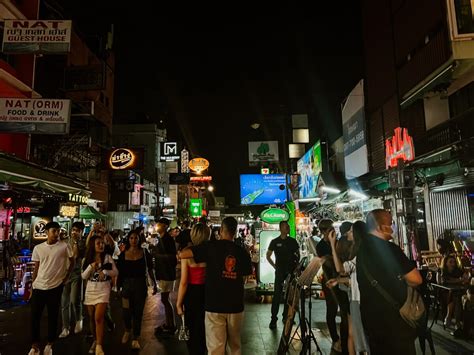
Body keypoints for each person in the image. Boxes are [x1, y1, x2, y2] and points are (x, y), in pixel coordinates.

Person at [178, 217, 252, 355]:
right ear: (235, 231)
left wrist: (180, 254)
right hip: (235, 305)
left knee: (215, 347)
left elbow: (184, 254)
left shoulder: (211, 247)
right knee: (234, 346)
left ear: (221, 230)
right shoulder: (242, 252)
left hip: (214, 305)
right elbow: (245, 277)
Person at [357, 209, 422, 355]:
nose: (393, 227)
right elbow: (416, 279)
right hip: (394, 321)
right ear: (381, 227)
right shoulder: (390, 249)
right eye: (391, 223)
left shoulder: (361, 250)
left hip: (371, 320)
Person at [28, 222, 74, 355]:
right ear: (47, 232)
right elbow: (36, 268)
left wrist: (66, 278)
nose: (57, 233)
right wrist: (33, 285)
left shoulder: (64, 246)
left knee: (53, 316)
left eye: (58, 231)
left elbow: (72, 262)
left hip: (55, 286)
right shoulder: (38, 248)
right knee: (35, 316)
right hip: (39, 286)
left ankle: (50, 343)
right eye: (54, 231)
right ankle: (35, 345)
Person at [327, 221, 369, 355]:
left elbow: (340, 269)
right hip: (358, 297)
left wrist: (333, 246)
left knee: (360, 339)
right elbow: (355, 278)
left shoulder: (360, 254)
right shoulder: (363, 252)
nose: (347, 234)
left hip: (359, 299)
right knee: (355, 334)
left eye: (350, 231)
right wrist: (338, 280)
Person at [117, 229, 157, 350]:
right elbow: (120, 273)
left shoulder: (144, 253)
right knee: (126, 311)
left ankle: (135, 337)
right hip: (126, 284)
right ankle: (127, 330)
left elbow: (150, 269)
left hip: (140, 285)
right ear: (128, 240)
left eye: (136, 238)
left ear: (139, 239)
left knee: (138, 312)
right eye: (131, 238)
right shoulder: (123, 255)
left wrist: (154, 284)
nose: (134, 240)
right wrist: (117, 287)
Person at [176, 223, 210, 355]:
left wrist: (179, 303)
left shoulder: (187, 254)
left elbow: (184, 282)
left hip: (192, 293)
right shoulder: (210, 252)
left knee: (192, 328)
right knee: (205, 327)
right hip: (207, 292)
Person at [82, 235, 118, 355]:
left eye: (102, 243)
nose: (101, 245)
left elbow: (115, 271)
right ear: (93, 245)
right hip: (91, 289)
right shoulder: (87, 259)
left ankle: (99, 345)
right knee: (92, 318)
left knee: (98, 317)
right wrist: (90, 267)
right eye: (98, 243)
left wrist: (105, 271)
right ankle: (95, 339)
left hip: (103, 289)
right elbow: (83, 276)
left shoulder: (107, 258)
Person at [266, 221, 300, 329]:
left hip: (291, 271)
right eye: (286, 227)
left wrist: (296, 268)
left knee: (289, 296)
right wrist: (275, 266)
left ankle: (286, 317)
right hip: (280, 272)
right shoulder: (275, 242)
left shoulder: (293, 241)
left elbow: (298, 255)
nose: (288, 228)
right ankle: (273, 319)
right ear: (281, 228)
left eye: (288, 226)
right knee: (277, 295)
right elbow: (268, 255)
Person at [315, 218, 342, 352]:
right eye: (330, 229)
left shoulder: (339, 242)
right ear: (323, 231)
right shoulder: (321, 246)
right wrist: (332, 257)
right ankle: (335, 339)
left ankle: (344, 339)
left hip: (342, 280)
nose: (333, 231)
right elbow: (331, 265)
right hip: (329, 281)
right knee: (331, 310)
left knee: (344, 310)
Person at [60, 221, 87, 338]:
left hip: (76, 274)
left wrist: (75, 242)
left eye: (77, 230)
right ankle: (65, 327)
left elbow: (75, 256)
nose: (74, 232)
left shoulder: (82, 243)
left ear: (82, 232)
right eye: (73, 230)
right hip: (65, 275)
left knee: (74, 300)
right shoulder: (65, 241)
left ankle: (78, 319)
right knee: (64, 303)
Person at [152, 217, 177, 335]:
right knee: (165, 299)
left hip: (167, 274)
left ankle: (171, 324)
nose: (157, 226)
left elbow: (173, 257)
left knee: (165, 299)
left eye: (160, 224)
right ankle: (169, 323)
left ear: (165, 226)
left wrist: (158, 255)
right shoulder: (160, 239)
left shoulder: (168, 240)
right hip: (163, 273)